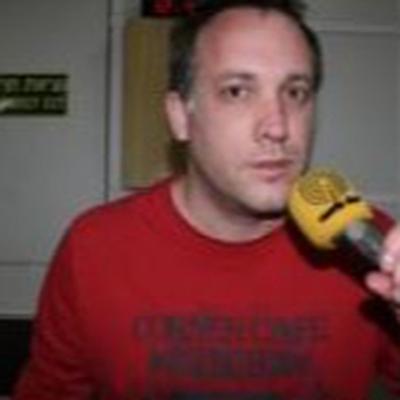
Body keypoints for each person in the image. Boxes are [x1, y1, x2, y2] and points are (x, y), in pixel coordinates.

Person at [13, 0, 400, 399]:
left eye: (295, 92)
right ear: (180, 116)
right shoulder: (94, 247)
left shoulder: (371, 244)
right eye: (237, 91)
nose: (278, 127)